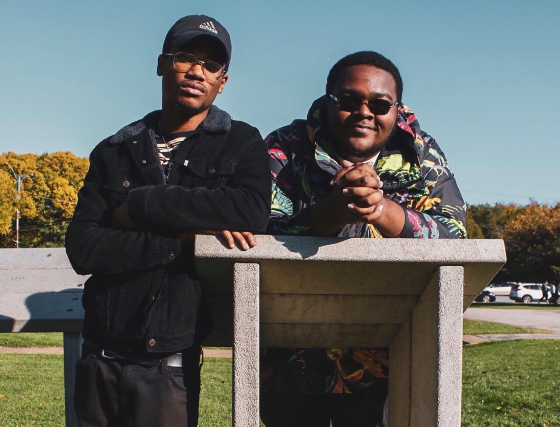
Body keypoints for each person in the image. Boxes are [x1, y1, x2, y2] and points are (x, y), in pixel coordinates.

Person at [65, 15, 270, 427]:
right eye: (185, 57)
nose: (197, 71)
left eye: (211, 65)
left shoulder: (241, 142)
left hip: (169, 363)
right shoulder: (114, 150)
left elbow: (250, 211)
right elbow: (84, 247)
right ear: (162, 64)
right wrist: (182, 239)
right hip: (99, 355)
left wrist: (141, 205)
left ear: (222, 81)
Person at [259, 51, 467, 426]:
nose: (364, 112)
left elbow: (454, 234)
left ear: (397, 109)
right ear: (328, 100)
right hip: (292, 359)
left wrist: (381, 210)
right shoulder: (286, 147)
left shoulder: (421, 154)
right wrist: (330, 213)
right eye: (349, 100)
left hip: (383, 365)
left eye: (380, 104)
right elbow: (253, 226)